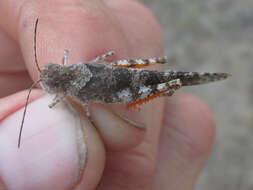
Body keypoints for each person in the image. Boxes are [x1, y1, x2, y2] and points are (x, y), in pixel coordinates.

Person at [0, 0, 215, 189]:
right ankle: (189, 79)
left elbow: (79, 106)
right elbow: (84, 99)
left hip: (120, 80)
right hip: (112, 84)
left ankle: (189, 79)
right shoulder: (75, 67)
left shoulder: (72, 90)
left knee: (148, 77)